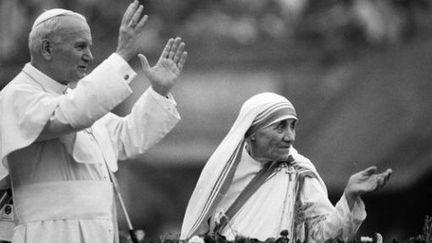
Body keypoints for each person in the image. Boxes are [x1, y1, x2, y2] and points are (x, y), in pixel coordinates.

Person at [0, 1, 187, 242]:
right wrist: (120, 57)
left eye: (89, 46)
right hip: (50, 234)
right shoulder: (17, 95)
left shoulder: (72, 98)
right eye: (80, 46)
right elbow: (70, 116)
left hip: (98, 232)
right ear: (47, 49)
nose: (89, 56)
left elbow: (127, 137)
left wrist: (158, 92)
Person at [180, 92, 392, 242]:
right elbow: (197, 232)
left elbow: (325, 236)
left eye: (292, 126)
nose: (290, 137)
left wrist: (349, 197)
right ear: (252, 132)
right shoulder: (222, 171)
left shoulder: (299, 172)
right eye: (280, 127)